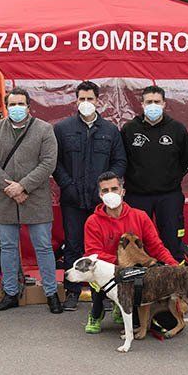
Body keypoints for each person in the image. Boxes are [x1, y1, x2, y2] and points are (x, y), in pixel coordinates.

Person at [0, 88, 61, 313]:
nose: (16, 108)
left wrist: (23, 185)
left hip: (35, 197)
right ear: (7, 107)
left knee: (43, 247)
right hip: (6, 197)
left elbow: (48, 163)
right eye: (12, 104)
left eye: (21, 104)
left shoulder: (45, 129)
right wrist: (11, 188)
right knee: (7, 247)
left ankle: (51, 293)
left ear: (29, 106)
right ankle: (10, 293)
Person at [53, 80, 126, 311]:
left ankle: (104, 294)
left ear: (98, 101)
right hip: (72, 200)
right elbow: (55, 163)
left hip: (101, 203)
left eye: (90, 99)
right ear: (76, 101)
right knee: (73, 245)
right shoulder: (62, 129)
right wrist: (67, 185)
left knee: (103, 248)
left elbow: (120, 161)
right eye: (82, 99)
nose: (86, 103)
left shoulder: (110, 130)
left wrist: (107, 190)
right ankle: (73, 292)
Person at [82, 172, 177, 334]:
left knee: (167, 324)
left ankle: (122, 307)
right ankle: (96, 312)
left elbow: (156, 247)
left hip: (136, 273)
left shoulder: (140, 216)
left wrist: (174, 267)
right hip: (109, 272)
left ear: (123, 191)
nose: (110, 193)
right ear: (100, 195)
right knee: (97, 272)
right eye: (105, 190)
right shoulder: (93, 222)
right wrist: (124, 264)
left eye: (114, 188)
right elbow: (93, 253)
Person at [120, 85, 188, 262]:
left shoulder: (177, 129)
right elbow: (122, 160)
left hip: (169, 196)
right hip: (137, 196)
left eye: (157, 102)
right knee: (136, 243)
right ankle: (140, 284)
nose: (153, 105)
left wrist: (170, 179)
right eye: (149, 102)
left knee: (172, 242)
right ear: (142, 104)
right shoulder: (129, 129)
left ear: (164, 104)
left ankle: (175, 282)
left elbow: (187, 161)